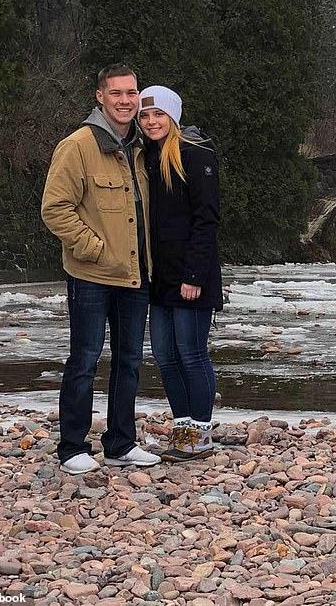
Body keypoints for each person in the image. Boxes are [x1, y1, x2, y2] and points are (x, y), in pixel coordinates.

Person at [41, 64, 161, 474]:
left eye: (131, 93)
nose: (125, 101)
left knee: (129, 361)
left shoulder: (142, 147)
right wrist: (93, 248)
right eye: (116, 93)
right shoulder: (77, 146)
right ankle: (72, 447)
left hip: (135, 274)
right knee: (84, 360)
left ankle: (120, 444)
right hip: (91, 275)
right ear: (100, 96)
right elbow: (55, 208)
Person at [138, 85, 222, 461]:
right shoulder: (147, 156)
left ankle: (200, 436)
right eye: (144, 115)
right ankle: (182, 430)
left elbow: (207, 219)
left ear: (173, 116)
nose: (151, 121)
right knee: (165, 355)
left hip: (192, 275)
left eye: (158, 114)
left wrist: (194, 274)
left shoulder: (195, 153)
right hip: (160, 277)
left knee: (192, 354)